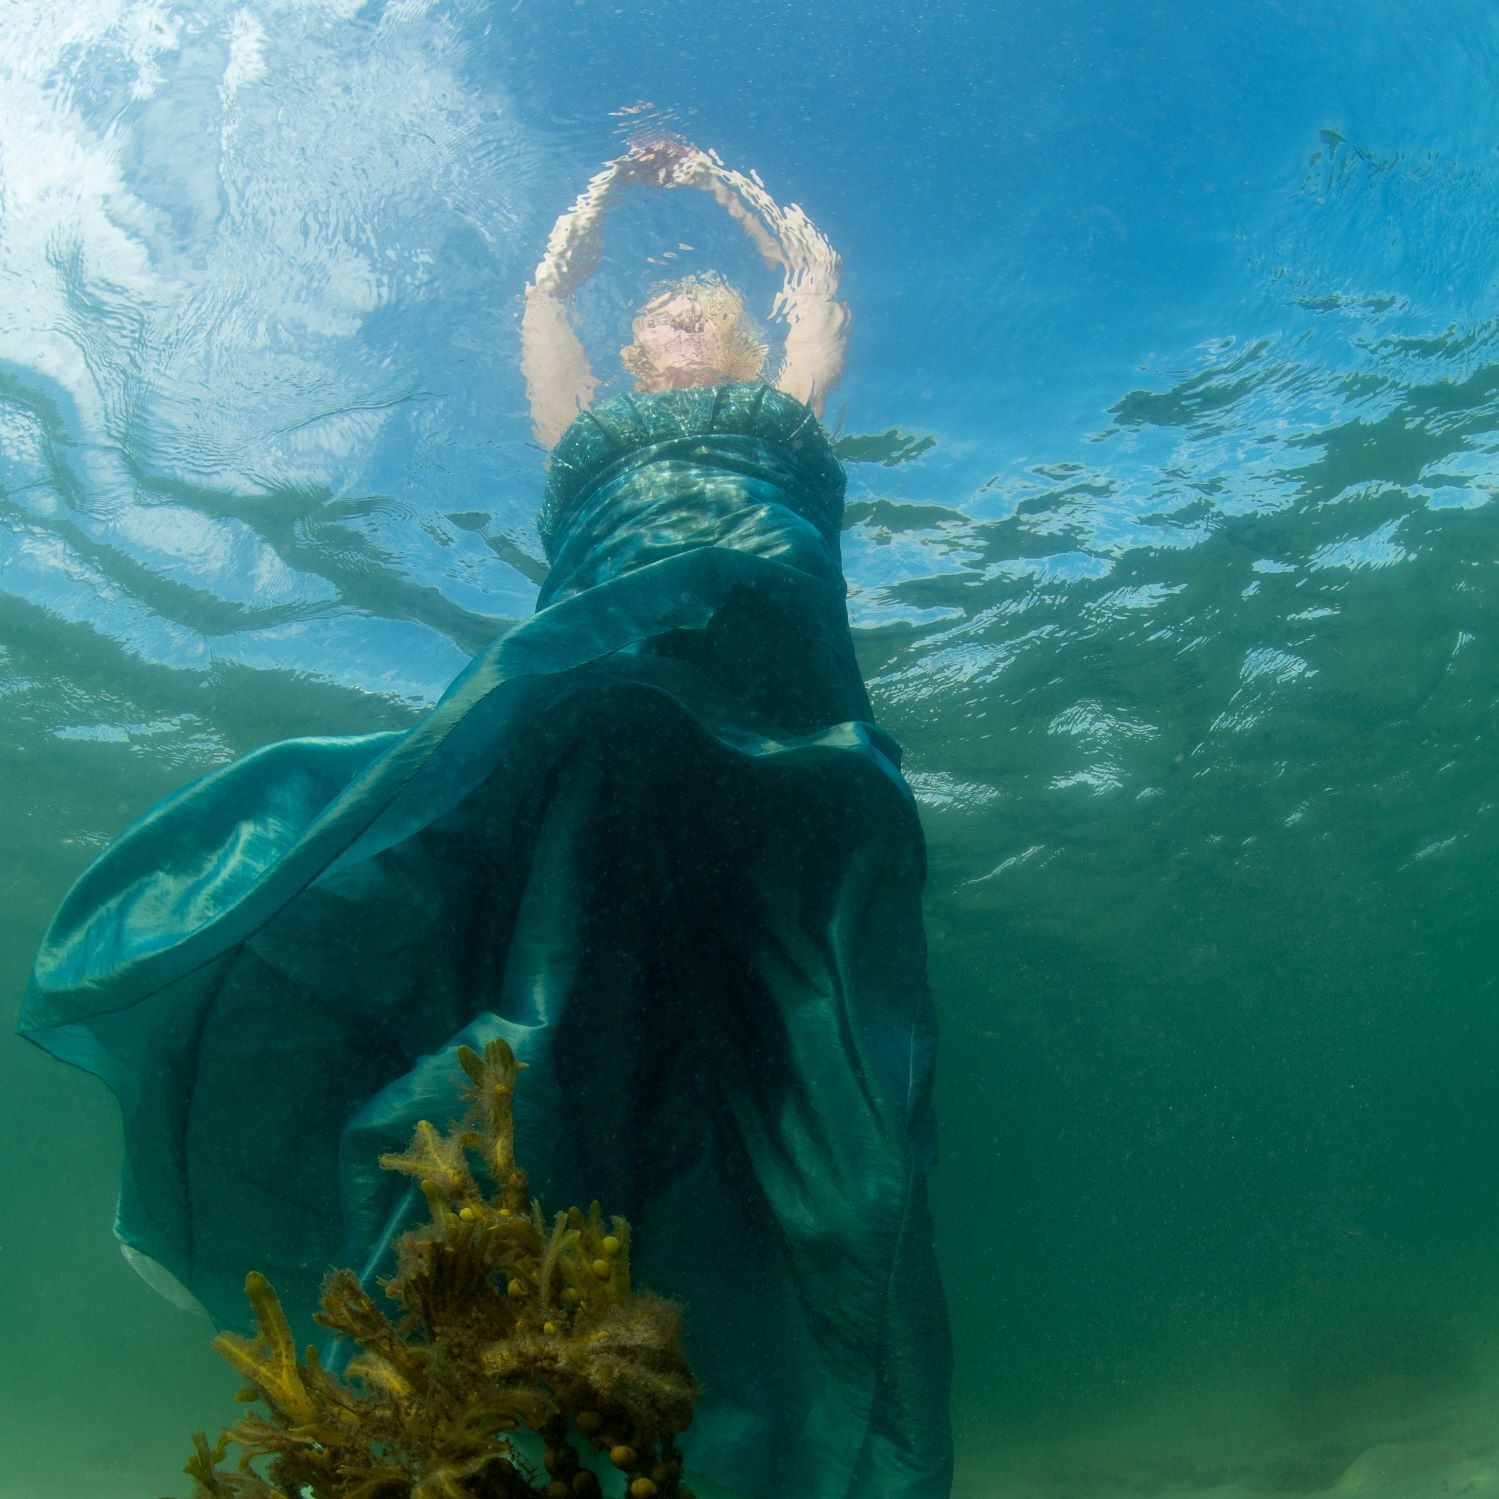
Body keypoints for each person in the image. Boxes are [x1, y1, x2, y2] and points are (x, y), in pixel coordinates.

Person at [19, 140, 952, 1499]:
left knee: (821, 1081)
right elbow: (542, 312)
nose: (676, 311)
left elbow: (818, 289)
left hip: (783, 721)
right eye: (654, 309)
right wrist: (591, 216)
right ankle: (483, 1389)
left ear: (744, 340)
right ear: (629, 349)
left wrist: (739, 195)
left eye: (703, 304)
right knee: (554, 1011)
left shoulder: (787, 400)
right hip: (599, 709)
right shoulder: (583, 424)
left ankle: (814, 1416)